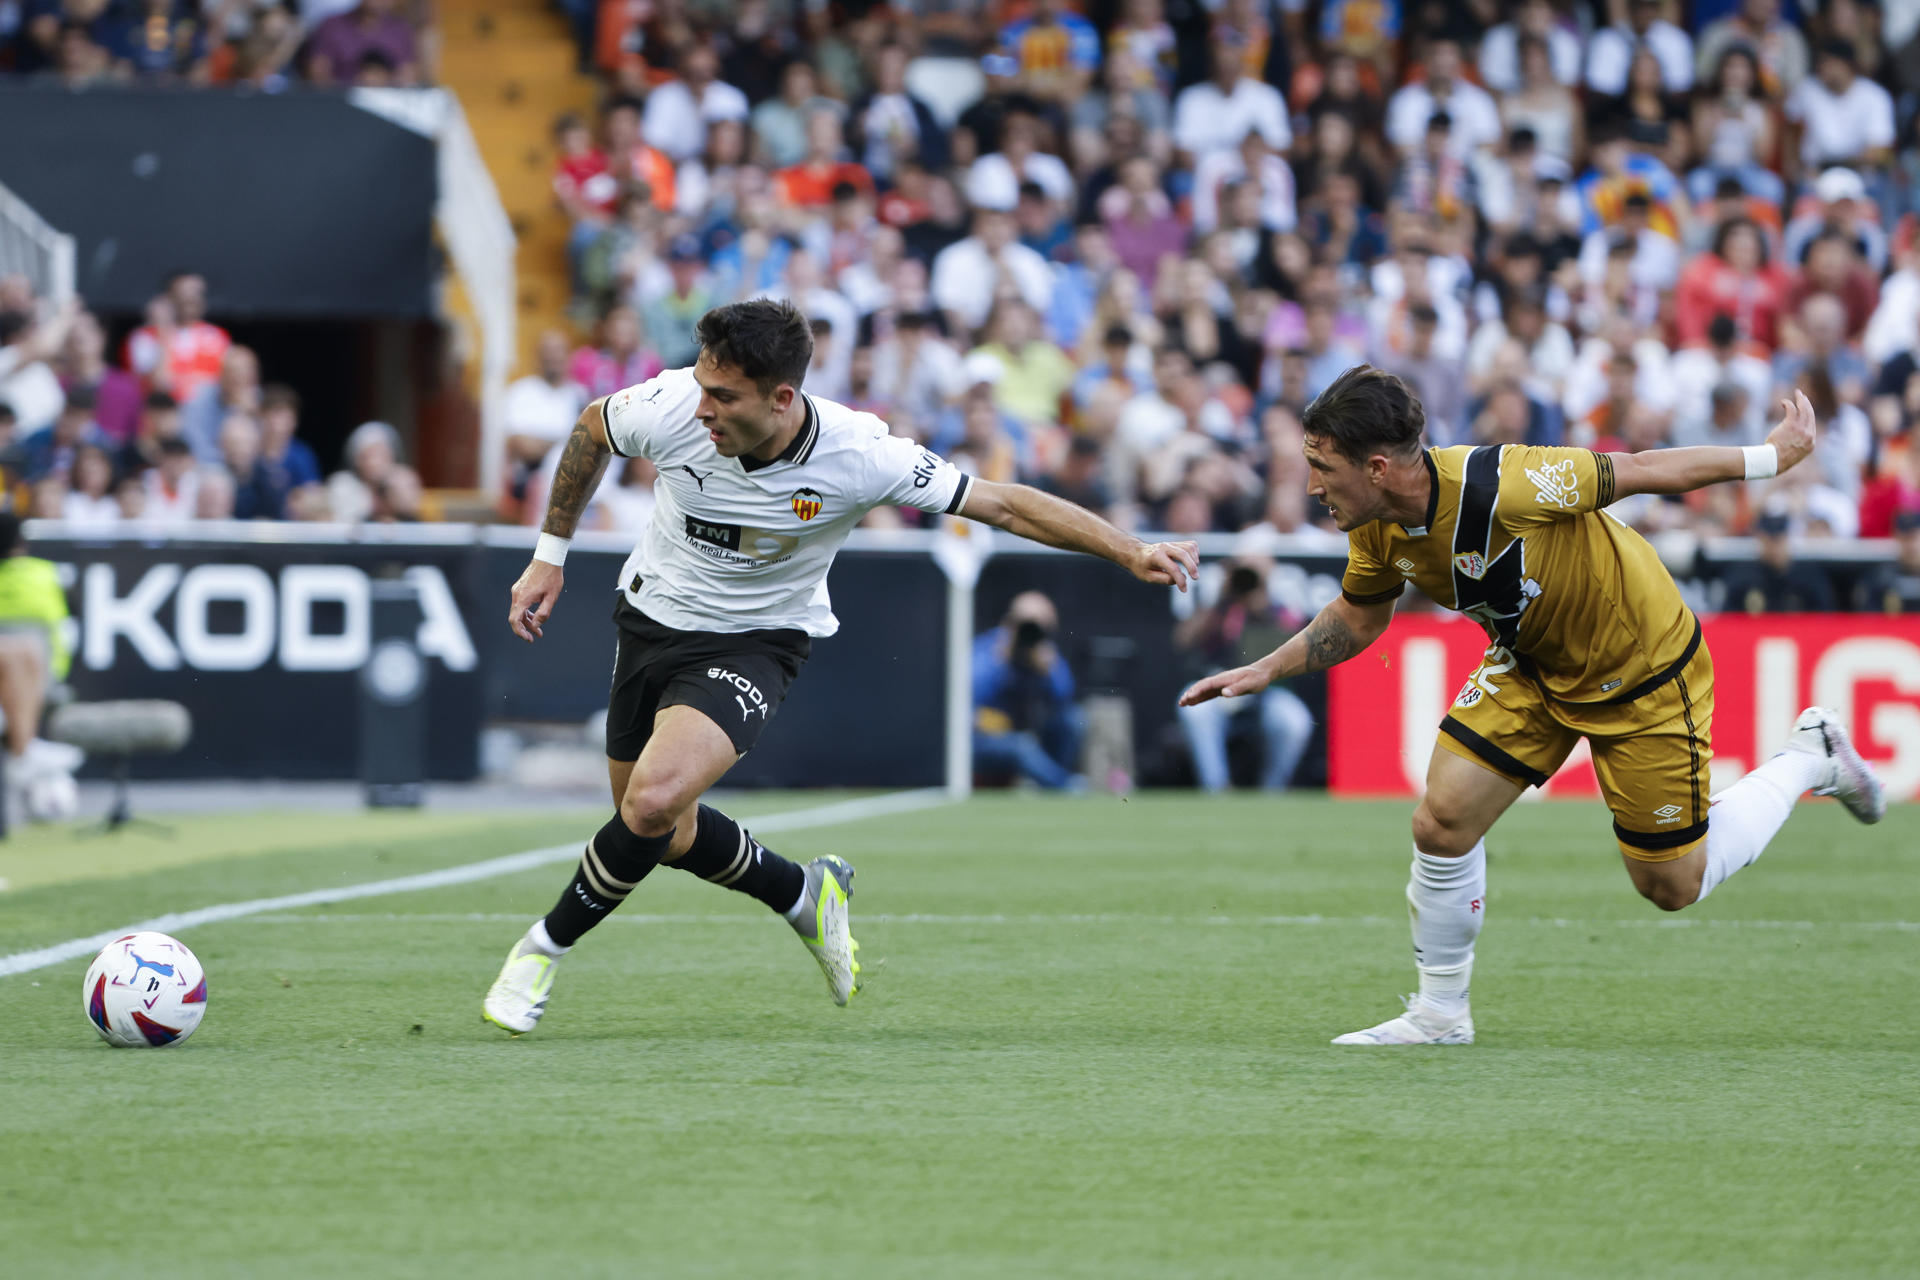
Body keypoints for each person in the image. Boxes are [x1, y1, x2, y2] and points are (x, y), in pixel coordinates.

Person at [482, 300, 1198, 1034]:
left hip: (757, 641)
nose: (703, 410)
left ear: (782, 398)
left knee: (651, 803)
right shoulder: (669, 406)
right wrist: (549, 556)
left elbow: (1005, 506)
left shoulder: (861, 453)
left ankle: (541, 950)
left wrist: (1128, 547)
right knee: (659, 830)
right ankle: (803, 892)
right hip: (649, 620)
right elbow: (590, 428)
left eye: (724, 397)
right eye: (702, 386)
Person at [1179, 365, 1883, 1046]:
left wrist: (1770, 456)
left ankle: (1809, 759)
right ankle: (1439, 1015)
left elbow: (1638, 470)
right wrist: (1267, 667)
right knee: (1442, 821)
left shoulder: (1507, 483)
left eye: (1322, 468)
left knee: (1671, 885)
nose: (1310, 486)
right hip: (1532, 669)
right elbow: (1361, 617)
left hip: (1638, 669)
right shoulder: (1373, 523)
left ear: (1377, 469)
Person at [1175, 556, 1314, 792]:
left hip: (1267, 690)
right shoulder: (1218, 608)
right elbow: (1183, 640)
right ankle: (1217, 789)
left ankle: (1272, 791)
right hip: (1218, 686)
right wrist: (1219, 599)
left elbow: (1298, 641)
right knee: (1196, 712)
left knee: (1295, 721)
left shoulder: (1277, 609)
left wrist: (1262, 605)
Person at [0, 511, 82, 819]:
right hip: (42, 684)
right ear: (21, 542)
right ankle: (25, 751)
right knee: (23, 651)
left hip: (25, 685)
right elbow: (73, 623)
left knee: (21, 654)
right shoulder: (48, 575)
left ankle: (25, 753)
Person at [972, 592, 1085, 791]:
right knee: (1021, 746)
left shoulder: (1044, 652)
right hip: (988, 737)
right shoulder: (989, 648)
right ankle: (1063, 787)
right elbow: (970, 697)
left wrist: (1047, 671)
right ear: (1011, 622)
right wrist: (1001, 664)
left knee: (1073, 720)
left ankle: (1052, 780)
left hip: (1031, 731)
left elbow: (1065, 696)